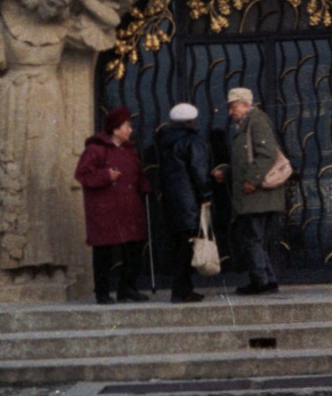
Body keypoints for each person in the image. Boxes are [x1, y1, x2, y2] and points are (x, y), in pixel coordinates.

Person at [0, 0, 128, 294]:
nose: (54, 10)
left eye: (60, 5)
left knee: (46, 180)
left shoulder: (62, 27)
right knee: (16, 177)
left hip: (47, 102)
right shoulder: (5, 26)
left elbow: (110, 23)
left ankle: (49, 262)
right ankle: (15, 266)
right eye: (50, 2)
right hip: (12, 103)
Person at [74, 107, 152, 304]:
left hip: (129, 208)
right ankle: (102, 292)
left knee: (133, 249)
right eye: (127, 126)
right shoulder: (95, 149)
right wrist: (105, 176)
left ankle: (127, 289)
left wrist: (145, 185)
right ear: (115, 129)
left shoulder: (129, 150)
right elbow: (82, 174)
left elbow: (137, 174)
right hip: (104, 210)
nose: (130, 130)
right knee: (104, 252)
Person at [214, 86, 285, 295]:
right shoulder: (247, 124)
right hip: (255, 196)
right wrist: (226, 171)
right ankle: (267, 279)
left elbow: (267, 154)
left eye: (233, 107)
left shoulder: (256, 122)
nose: (230, 112)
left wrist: (252, 180)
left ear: (245, 104)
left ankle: (260, 281)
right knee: (256, 238)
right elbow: (245, 161)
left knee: (252, 238)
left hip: (258, 195)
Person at [153, 103, 215, 303]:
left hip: (172, 201)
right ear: (192, 120)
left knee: (180, 245)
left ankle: (184, 288)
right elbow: (198, 169)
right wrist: (206, 194)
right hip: (189, 200)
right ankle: (181, 291)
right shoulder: (191, 140)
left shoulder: (165, 141)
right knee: (187, 246)